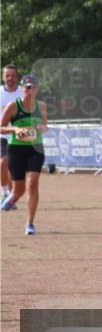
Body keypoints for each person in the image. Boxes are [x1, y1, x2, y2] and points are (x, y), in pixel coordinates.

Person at [1, 74, 47, 234]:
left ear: (37, 90)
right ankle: (13, 197)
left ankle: (30, 223)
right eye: (27, 87)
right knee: (19, 189)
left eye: (33, 87)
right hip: (16, 150)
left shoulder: (41, 106)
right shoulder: (13, 106)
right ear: (21, 88)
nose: (30, 90)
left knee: (33, 183)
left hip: (36, 149)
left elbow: (44, 125)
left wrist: (42, 128)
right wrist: (15, 129)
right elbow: (1, 127)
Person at [1, 64, 22, 200]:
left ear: (17, 77)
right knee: (3, 162)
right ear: (3, 77)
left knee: (12, 168)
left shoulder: (23, 92)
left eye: (13, 75)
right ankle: (4, 194)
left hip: (19, 135)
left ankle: (9, 192)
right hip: (2, 134)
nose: (10, 78)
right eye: (7, 75)